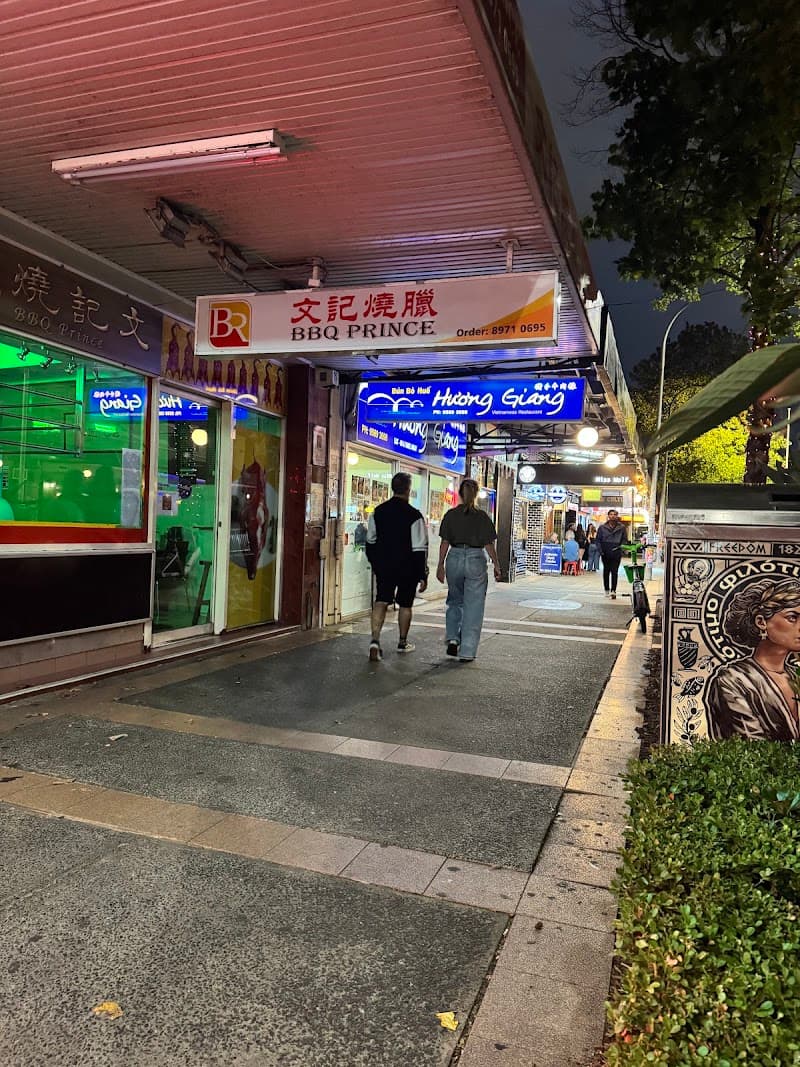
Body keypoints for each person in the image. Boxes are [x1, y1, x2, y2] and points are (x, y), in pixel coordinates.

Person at [706, 578, 800, 741]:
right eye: (792, 618)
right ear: (761, 622)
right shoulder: (733, 681)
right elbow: (751, 748)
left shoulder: (795, 676)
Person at [435, 478, 501, 662]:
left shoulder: (451, 515)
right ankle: (467, 651)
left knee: (454, 600)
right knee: (474, 606)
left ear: (460, 494)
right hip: (475, 559)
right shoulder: (482, 517)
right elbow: (489, 545)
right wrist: (496, 565)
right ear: (476, 494)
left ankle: (453, 638)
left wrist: (440, 565)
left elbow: (445, 542)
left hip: (454, 557)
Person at [365, 472, 428, 661]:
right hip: (407, 567)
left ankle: (375, 640)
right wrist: (422, 573)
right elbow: (419, 548)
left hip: (385, 565)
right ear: (408, 489)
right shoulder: (414, 515)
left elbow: (370, 541)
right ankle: (402, 641)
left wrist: (376, 563)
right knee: (406, 604)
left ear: (393, 487)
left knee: (381, 600)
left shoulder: (378, 511)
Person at [596, 508, 626, 598]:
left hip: (616, 551)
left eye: (614, 514)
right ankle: (606, 589)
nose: (613, 516)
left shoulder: (622, 527)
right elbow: (598, 540)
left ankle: (613, 590)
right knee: (606, 571)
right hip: (605, 551)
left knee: (614, 572)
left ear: (617, 516)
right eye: (611, 514)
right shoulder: (602, 527)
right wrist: (601, 551)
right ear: (608, 516)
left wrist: (621, 548)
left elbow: (624, 539)